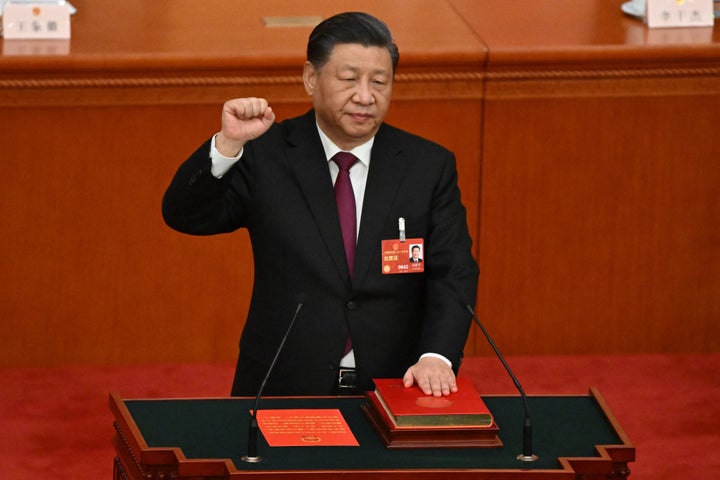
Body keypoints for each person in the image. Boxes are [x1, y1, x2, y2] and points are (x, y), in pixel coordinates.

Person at [162, 12, 479, 398]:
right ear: (311, 78)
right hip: (283, 385)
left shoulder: (427, 166)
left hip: (395, 385)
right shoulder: (267, 156)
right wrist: (227, 146)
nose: (365, 96)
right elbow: (185, 215)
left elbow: (454, 271)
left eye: (379, 82)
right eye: (349, 80)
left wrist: (437, 356)